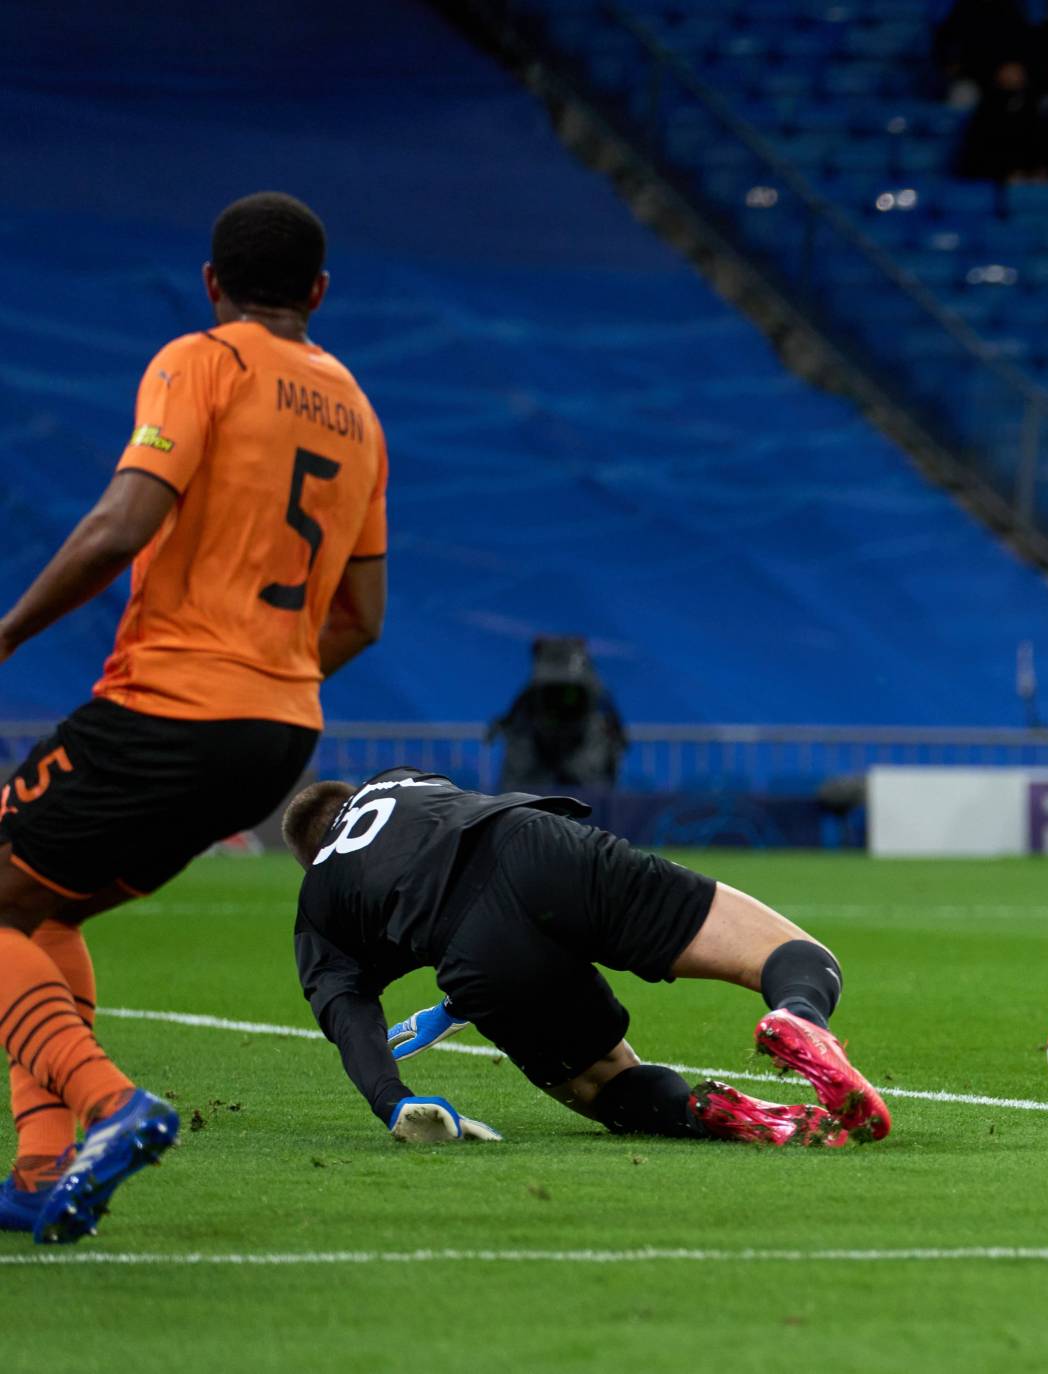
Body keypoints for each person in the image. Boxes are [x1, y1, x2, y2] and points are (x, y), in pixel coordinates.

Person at [0, 193, 388, 1244]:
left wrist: (4, 637)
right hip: (277, 735)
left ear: (212, 285)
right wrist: (272, 672)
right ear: (316, 293)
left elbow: (123, 522)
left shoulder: (202, 360)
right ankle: (41, 1174)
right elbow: (365, 615)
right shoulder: (357, 412)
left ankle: (111, 1105)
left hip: (173, 704)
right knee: (40, 912)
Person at [285, 769, 890, 1150]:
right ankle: (801, 1016)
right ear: (356, 795)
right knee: (786, 953)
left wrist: (391, 1097)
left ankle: (716, 1113)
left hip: (479, 952)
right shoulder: (402, 780)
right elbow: (455, 859)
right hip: (540, 849)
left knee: (604, 1083)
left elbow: (347, 1009)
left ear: (309, 859)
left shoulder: (320, 899)